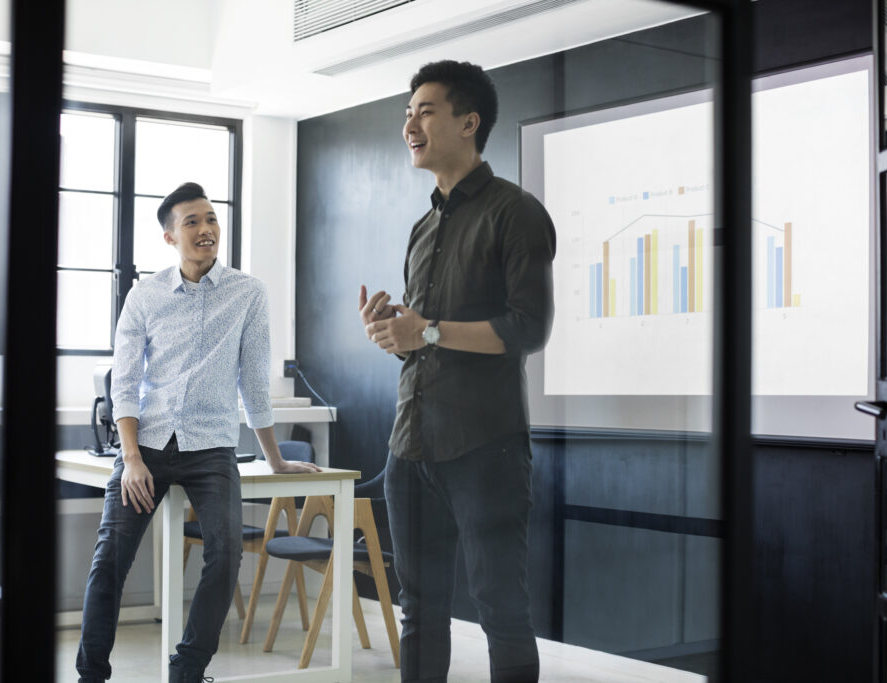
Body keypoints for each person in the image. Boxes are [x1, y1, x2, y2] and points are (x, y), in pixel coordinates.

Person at [359, 60, 556, 682]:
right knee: (419, 610)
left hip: (485, 448)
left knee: (501, 610)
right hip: (411, 449)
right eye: (407, 113)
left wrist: (430, 330)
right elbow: (424, 341)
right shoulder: (423, 228)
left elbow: (529, 328)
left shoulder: (516, 213)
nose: (409, 124)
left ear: (469, 123)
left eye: (425, 111)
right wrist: (394, 334)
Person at [76, 182, 319, 683]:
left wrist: (274, 460)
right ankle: (91, 675)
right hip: (146, 443)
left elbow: (253, 381)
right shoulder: (144, 296)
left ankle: (187, 671)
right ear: (170, 237)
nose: (206, 230)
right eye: (193, 222)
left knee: (226, 554)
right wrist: (132, 459)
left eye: (211, 219)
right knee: (110, 559)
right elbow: (124, 381)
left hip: (211, 447)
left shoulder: (248, 293)